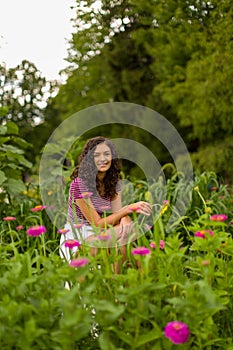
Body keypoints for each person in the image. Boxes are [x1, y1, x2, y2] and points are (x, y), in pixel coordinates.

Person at [59, 136, 152, 266]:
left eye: (107, 154)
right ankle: (119, 280)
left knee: (127, 231)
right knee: (126, 237)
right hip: (77, 238)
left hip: (99, 234)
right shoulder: (79, 184)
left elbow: (117, 213)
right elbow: (97, 223)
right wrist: (128, 209)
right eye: (97, 155)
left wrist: (125, 218)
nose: (103, 159)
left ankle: (118, 280)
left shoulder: (113, 182)